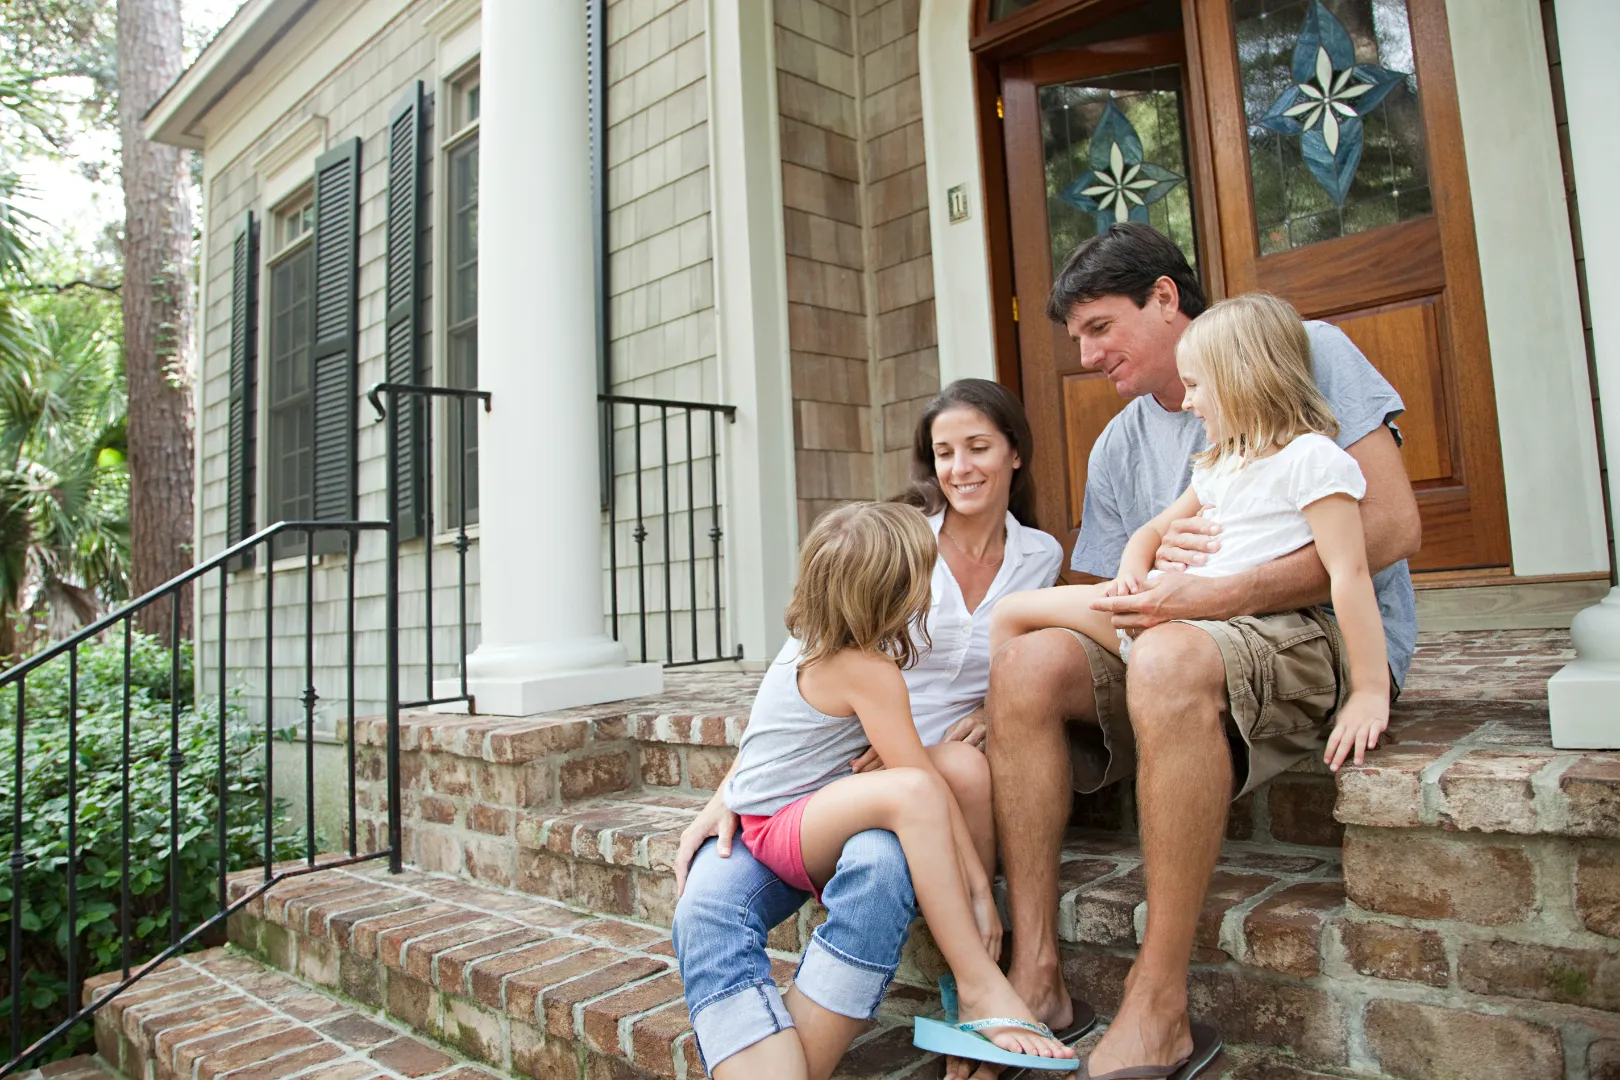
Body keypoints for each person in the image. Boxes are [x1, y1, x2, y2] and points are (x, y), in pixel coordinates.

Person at [983, 224, 1421, 1080]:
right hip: (1176, 638)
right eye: (1075, 339)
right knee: (1028, 662)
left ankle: (1159, 1008)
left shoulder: (1300, 348)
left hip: (1313, 629)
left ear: (1164, 297)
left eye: (1099, 327)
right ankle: (1035, 976)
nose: (1085, 355)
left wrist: (1213, 596)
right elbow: (1112, 595)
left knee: (1170, 656)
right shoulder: (1121, 442)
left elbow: (1394, 527)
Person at [671, 380, 1074, 1080]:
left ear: (1015, 453)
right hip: (816, 798)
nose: (960, 466)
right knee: (913, 795)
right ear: (891, 588)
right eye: (945, 452)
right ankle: (978, 979)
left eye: (978, 447)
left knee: (931, 796)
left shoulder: (1034, 556)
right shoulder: (874, 627)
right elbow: (860, 758)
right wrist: (735, 783)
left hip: (865, 781)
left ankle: (959, 989)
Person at [993, 292, 1391, 772]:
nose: (1187, 402)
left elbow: (1349, 574)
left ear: (1241, 380)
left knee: (1141, 654)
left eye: (1196, 386)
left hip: (1217, 629)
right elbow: (1152, 531)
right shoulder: (1221, 463)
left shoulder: (1312, 461)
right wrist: (1130, 573)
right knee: (1011, 611)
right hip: (1157, 606)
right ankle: (993, 725)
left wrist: (1370, 690)